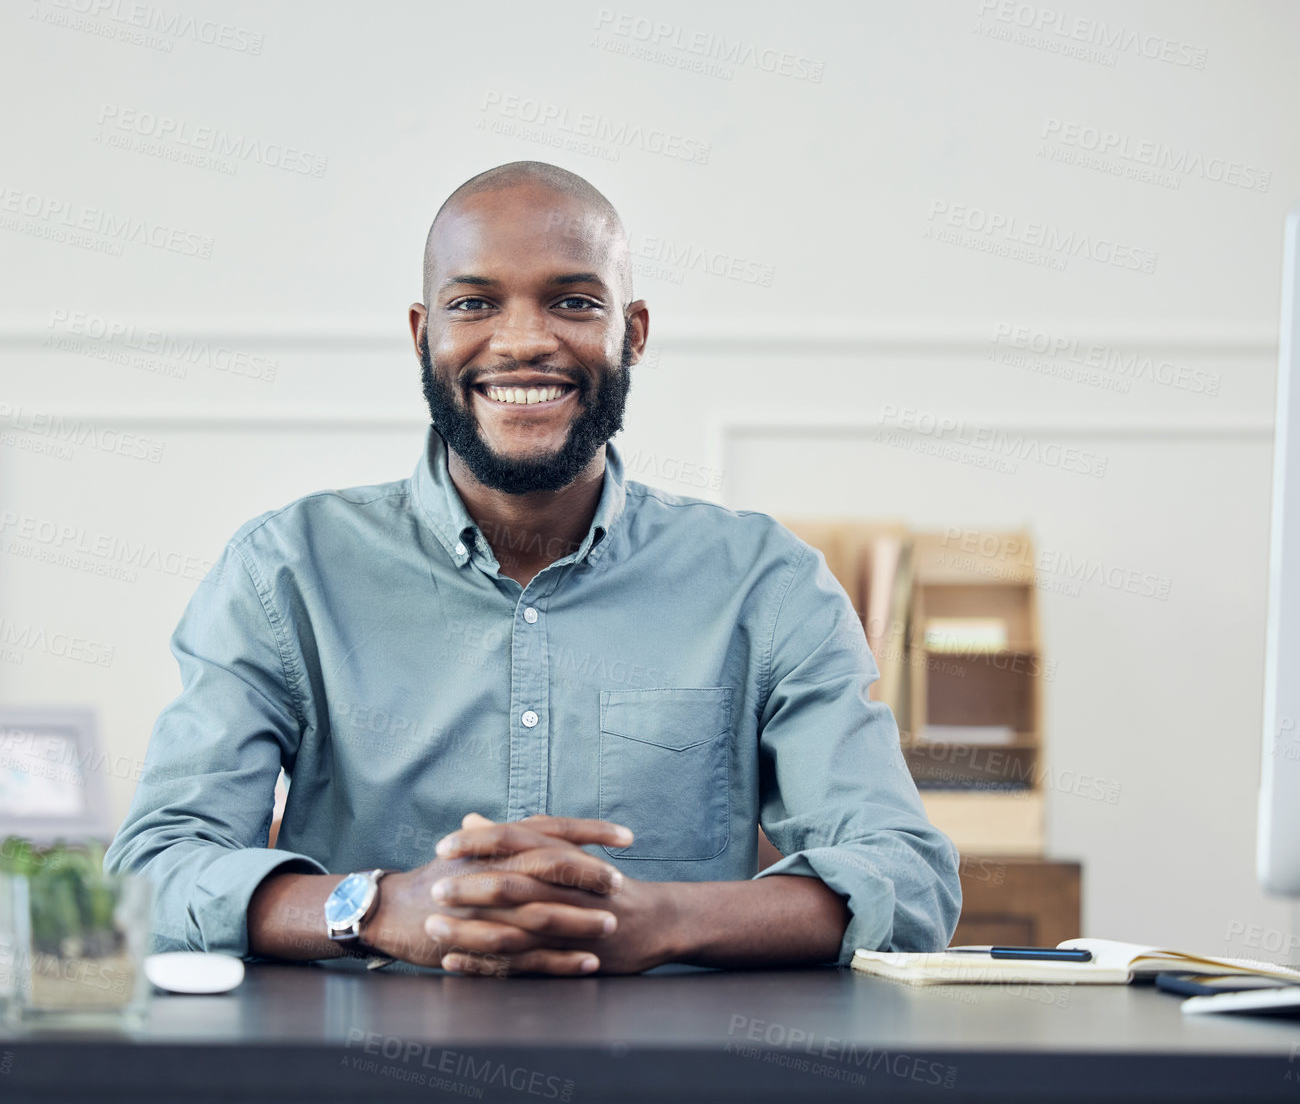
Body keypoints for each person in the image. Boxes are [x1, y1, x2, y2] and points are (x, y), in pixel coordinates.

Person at [105, 161, 961, 975]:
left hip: (674, 1086)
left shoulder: (765, 583)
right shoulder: (284, 571)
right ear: (422, 334)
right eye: (474, 302)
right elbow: (150, 872)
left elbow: (907, 877)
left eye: (574, 301)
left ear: (631, 334)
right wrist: (375, 908)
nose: (522, 340)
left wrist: (664, 920)